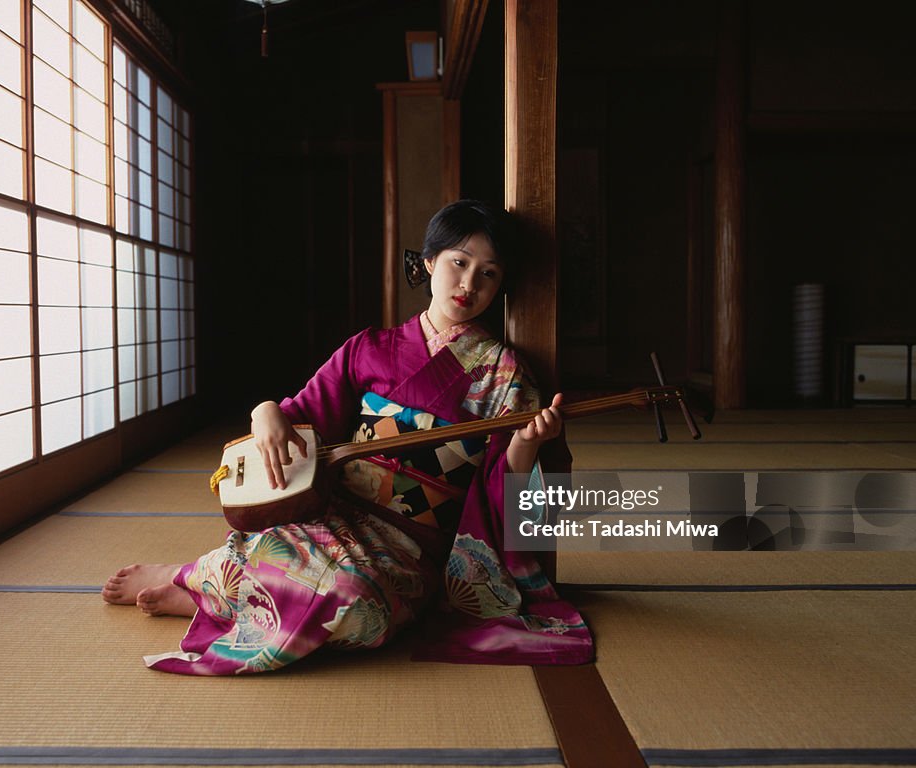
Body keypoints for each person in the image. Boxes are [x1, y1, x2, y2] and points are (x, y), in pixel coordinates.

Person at [102, 199, 594, 675]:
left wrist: (528, 442)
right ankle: (192, 580)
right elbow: (301, 414)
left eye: (488, 273)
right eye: (458, 262)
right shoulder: (369, 348)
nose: (469, 283)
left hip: (412, 545)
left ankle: (209, 591)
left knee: (358, 605)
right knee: (278, 551)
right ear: (428, 262)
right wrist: (265, 410)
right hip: (334, 514)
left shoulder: (505, 373)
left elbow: (500, 482)